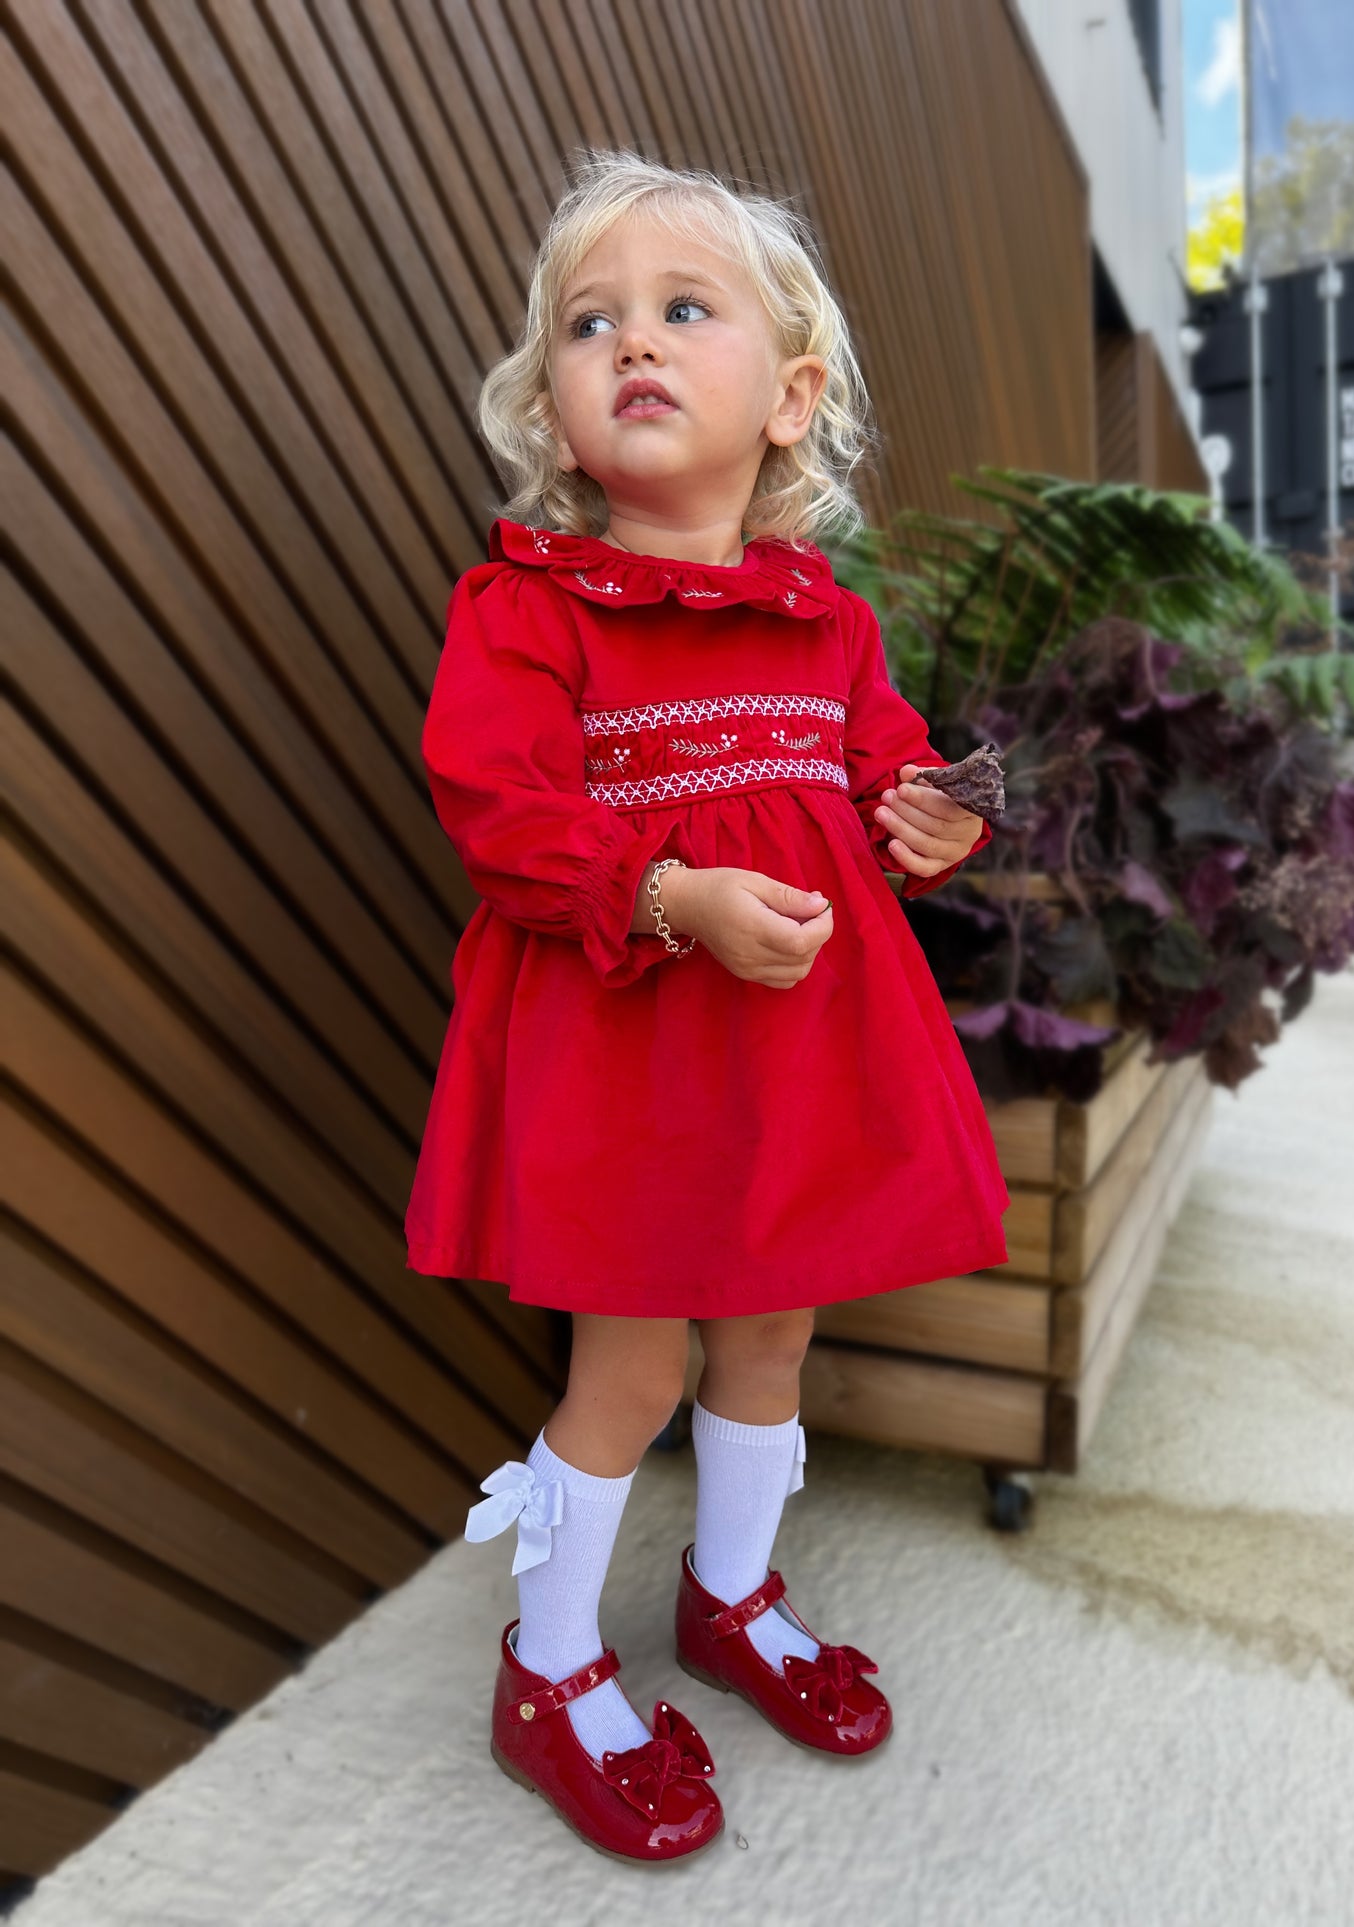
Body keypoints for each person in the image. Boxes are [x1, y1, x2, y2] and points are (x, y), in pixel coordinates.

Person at [404, 147, 1010, 1866]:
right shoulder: (532, 611)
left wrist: (930, 818)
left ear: (790, 394)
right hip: (629, 1057)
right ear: (554, 404)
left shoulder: (828, 623)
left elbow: (884, 779)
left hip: (796, 1056)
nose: (634, 344)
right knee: (630, 1357)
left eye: (684, 310)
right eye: (591, 325)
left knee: (774, 1326)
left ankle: (731, 1596)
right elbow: (500, 810)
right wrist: (666, 894)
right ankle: (550, 1659)